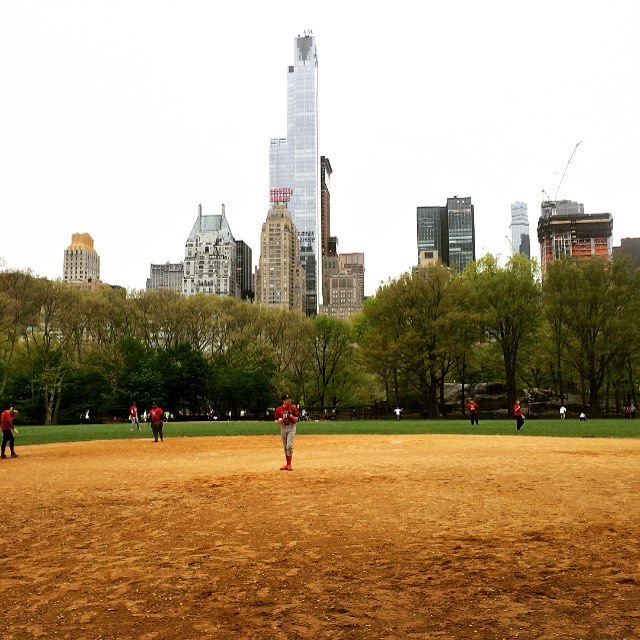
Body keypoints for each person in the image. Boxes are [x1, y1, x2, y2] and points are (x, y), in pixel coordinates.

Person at [273, 394, 299, 471]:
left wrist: (291, 417)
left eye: (289, 399)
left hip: (291, 427)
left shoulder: (293, 408)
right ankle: (287, 464)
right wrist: (278, 422)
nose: (289, 400)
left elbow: (297, 419)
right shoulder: (279, 409)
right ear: (283, 400)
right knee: (285, 447)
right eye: (287, 399)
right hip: (283, 427)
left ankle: (289, 464)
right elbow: (275, 419)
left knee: (289, 446)